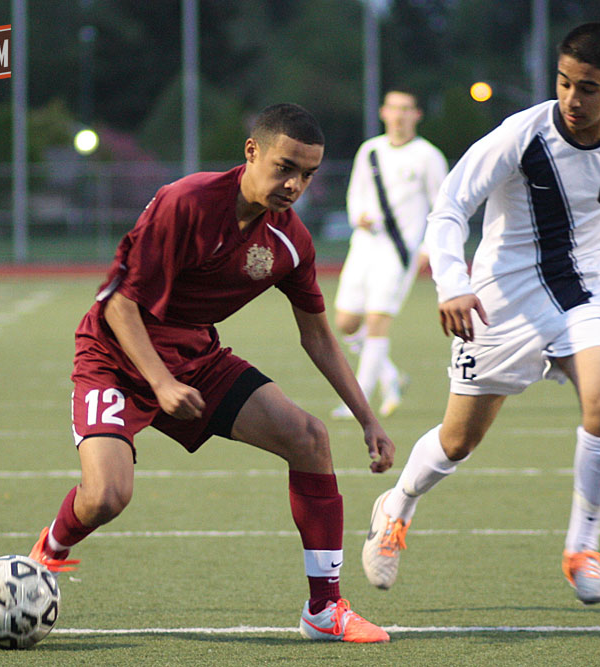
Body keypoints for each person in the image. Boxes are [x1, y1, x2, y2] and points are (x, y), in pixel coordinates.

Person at [361, 23, 600, 605]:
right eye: (563, 83)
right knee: (458, 441)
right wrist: (452, 283)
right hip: (500, 302)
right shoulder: (521, 134)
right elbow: (451, 204)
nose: (572, 99)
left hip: (588, 293)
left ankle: (582, 549)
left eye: (588, 88)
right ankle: (397, 505)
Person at [27, 103, 393, 643]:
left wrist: (367, 419)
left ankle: (324, 609)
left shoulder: (291, 241)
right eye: (285, 167)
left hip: (195, 359)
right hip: (114, 358)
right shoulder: (186, 202)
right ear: (252, 152)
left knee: (310, 438)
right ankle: (47, 555)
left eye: (308, 175)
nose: (295, 185)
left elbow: (317, 335)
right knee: (106, 497)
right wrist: (160, 383)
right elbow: (120, 305)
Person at [331, 90, 449, 419]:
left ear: (417, 114)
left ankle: (359, 402)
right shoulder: (370, 150)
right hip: (364, 246)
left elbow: (442, 206)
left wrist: (428, 248)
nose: (399, 115)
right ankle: (390, 376)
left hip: (398, 251)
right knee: (346, 322)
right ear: (383, 112)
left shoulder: (428, 156)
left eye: (406, 109)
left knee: (377, 320)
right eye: (394, 108)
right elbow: (356, 192)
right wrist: (358, 216)